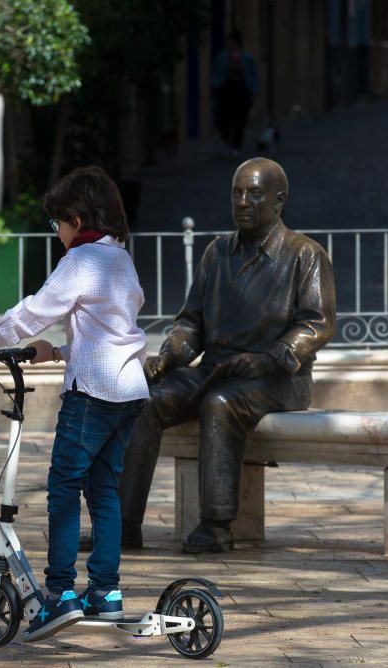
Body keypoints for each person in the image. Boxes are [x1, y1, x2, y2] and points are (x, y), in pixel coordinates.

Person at [0, 166, 149, 641]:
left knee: (64, 489)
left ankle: (60, 595)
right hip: (128, 392)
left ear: (77, 218)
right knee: (103, 490)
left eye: (58, 224)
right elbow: (110, 329)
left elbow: (36, 310)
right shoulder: (119, 259)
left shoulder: (81, 260)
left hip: (92, 394)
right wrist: (60, 351)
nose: (57, 234)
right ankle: (105, 593)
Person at [119, 157, 336, 553]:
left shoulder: (305, 255)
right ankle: (123, 524)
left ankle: (217, 526)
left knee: (220, 404)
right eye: (237, 193)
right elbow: (191, 324)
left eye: (254, 194)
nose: (243, 202)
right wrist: (167, 357)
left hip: (278, 378)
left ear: (279, 200)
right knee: (144, 400)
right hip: (216, 368)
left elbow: (316, 323)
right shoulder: (216, 253)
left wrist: (270, 357)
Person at [212, 31, 258, 157]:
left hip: (241, 92)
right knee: (222, 119)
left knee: (240, 120)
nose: (229, 44)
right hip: (226, 91)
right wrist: (216, 86)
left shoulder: (247, 57)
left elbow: (253, 75)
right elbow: (216, 72)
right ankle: (227, 142)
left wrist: (253, 91)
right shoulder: (222, 56)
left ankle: (236, 146)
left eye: (231, 41)